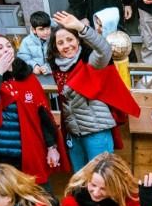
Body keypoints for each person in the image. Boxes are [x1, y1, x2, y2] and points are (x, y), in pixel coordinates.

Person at [48, 10, 140, 170]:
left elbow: (104, 50)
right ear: (55, 47)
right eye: (60, 42)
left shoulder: (91, 62)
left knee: (102, 177)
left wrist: (81, 27)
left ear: (78, 40)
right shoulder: (58, 69)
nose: (66, 45)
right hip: (74, 135)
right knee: (80, 180)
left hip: (96, 132)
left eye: (70, 39)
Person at [0, 33, 64, 185]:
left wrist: (52, 147)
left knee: (40, 193)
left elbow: (43, 114)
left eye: (9, 46)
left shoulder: (27, 77)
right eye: (0, 48)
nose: (6, 50)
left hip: (31, 151)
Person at [17, 11, 52, 87]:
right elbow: (23, 58)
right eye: (41, 29)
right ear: (34, 30)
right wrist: (34, 66)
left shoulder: (54, 39)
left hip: (53, 77)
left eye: (48, 28)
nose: (46, 32)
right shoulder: (26, 41)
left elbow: (58, 57)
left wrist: (48, 67)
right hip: (37, 79)